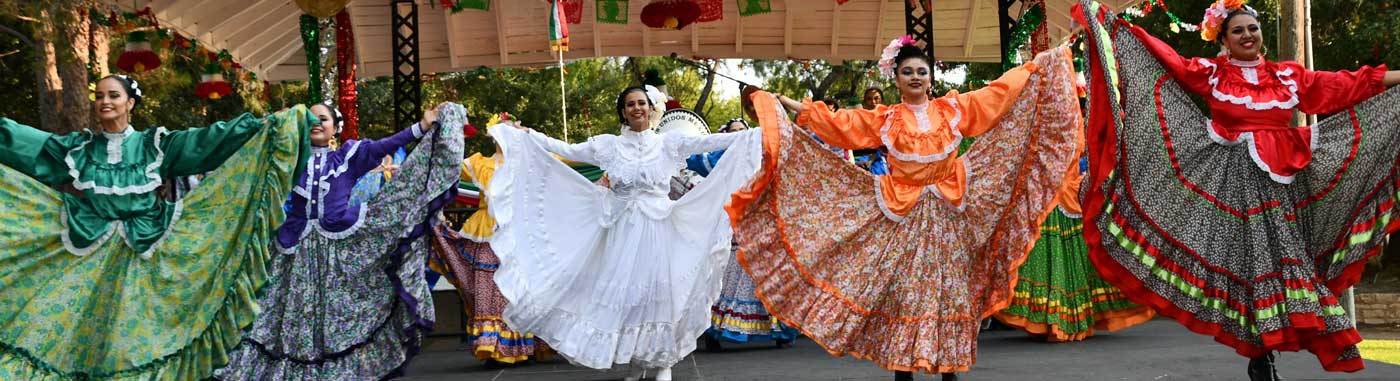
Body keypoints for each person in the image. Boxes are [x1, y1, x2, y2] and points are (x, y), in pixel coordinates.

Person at [1073, 1, 1400, 379]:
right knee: (1246, 270)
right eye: (1238, 30)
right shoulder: (1212, 73)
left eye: (1252, 29)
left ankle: (1270, 351)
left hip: (1283, 187)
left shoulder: (1287, 77)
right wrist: (1108, 24)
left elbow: (1347, 84)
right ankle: (1260, 353)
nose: (1248, 35)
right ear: (1224, 40)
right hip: (1233, 189)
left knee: (1284, 266)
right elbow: (1165, 59)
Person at [731, 36, 1082, 381]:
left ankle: (949, 367)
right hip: (904, 217)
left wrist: (1039, 66)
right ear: (896, 78)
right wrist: (790, 104)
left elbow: (998, 94)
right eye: (908, 71)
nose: (915, 77)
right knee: (905, 293)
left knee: (951, 291)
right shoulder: (886, 119)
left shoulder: (953, 110)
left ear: (930, 78)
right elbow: (842, 125)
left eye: (921, 71)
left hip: (950, 215)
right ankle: (902, 367)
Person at [0, 74, 313, 380]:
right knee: (77, 335)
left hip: (144, 252)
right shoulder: (79, 148)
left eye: (113, 95)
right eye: (100, 96)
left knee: (131, 342)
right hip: (89, 248)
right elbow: (27, 143)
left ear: (130, 103)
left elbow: (206, 141)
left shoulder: (155, 144)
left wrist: (262, 124)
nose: (105, 102)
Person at [485, 85, 765, 381]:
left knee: (659, 293)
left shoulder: (668, 143)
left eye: (641, 103)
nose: (636, 108)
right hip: (623, 232)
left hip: (659, 229)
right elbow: (566, 149)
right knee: (630, 298)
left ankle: (663, 362)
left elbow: (711, 142)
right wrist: (526, 135)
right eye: (630, 104)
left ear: (651, 108)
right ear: (623, 111)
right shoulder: (608, 146)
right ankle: (636, 362)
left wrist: (755, 133)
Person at [216, 102, 465, 380]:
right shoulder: (285, 160)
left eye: (323, 119)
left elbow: (386, 144)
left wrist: (422, 126)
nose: (316, 123)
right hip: (293, 252)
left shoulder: (347, 156)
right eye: (310, 119)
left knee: (336, 314)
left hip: (339, 250)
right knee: (289, 315)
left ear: (335, 127)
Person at [992, 154, 1156, 341]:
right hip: (1052, 183)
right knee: (1052, 253)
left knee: (1071, 250)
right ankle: (1056, 318)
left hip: (1068, 181)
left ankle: (1060, 318)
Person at [428, 123, 553, 365]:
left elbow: (561, 159)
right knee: (487, 286)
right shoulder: (479, 163)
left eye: (511, 130)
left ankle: (522, 343)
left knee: (521, 287)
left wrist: (532, 135)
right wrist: (446, 134)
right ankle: (493, 343)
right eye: (500, 129)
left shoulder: (528, 162)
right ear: (491, 134)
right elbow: (446, 165)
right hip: (486, 231)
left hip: (519, 230)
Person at [684, 118, 801, 352]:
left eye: (742, 131)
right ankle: (715, 330)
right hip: (732, 221)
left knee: (768, 271)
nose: (739, 135)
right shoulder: (723, 158)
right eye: (733, 132)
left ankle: (779, 330)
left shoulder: (764, 154)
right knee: (727, 272)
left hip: (762, 220)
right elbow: (693, 159)